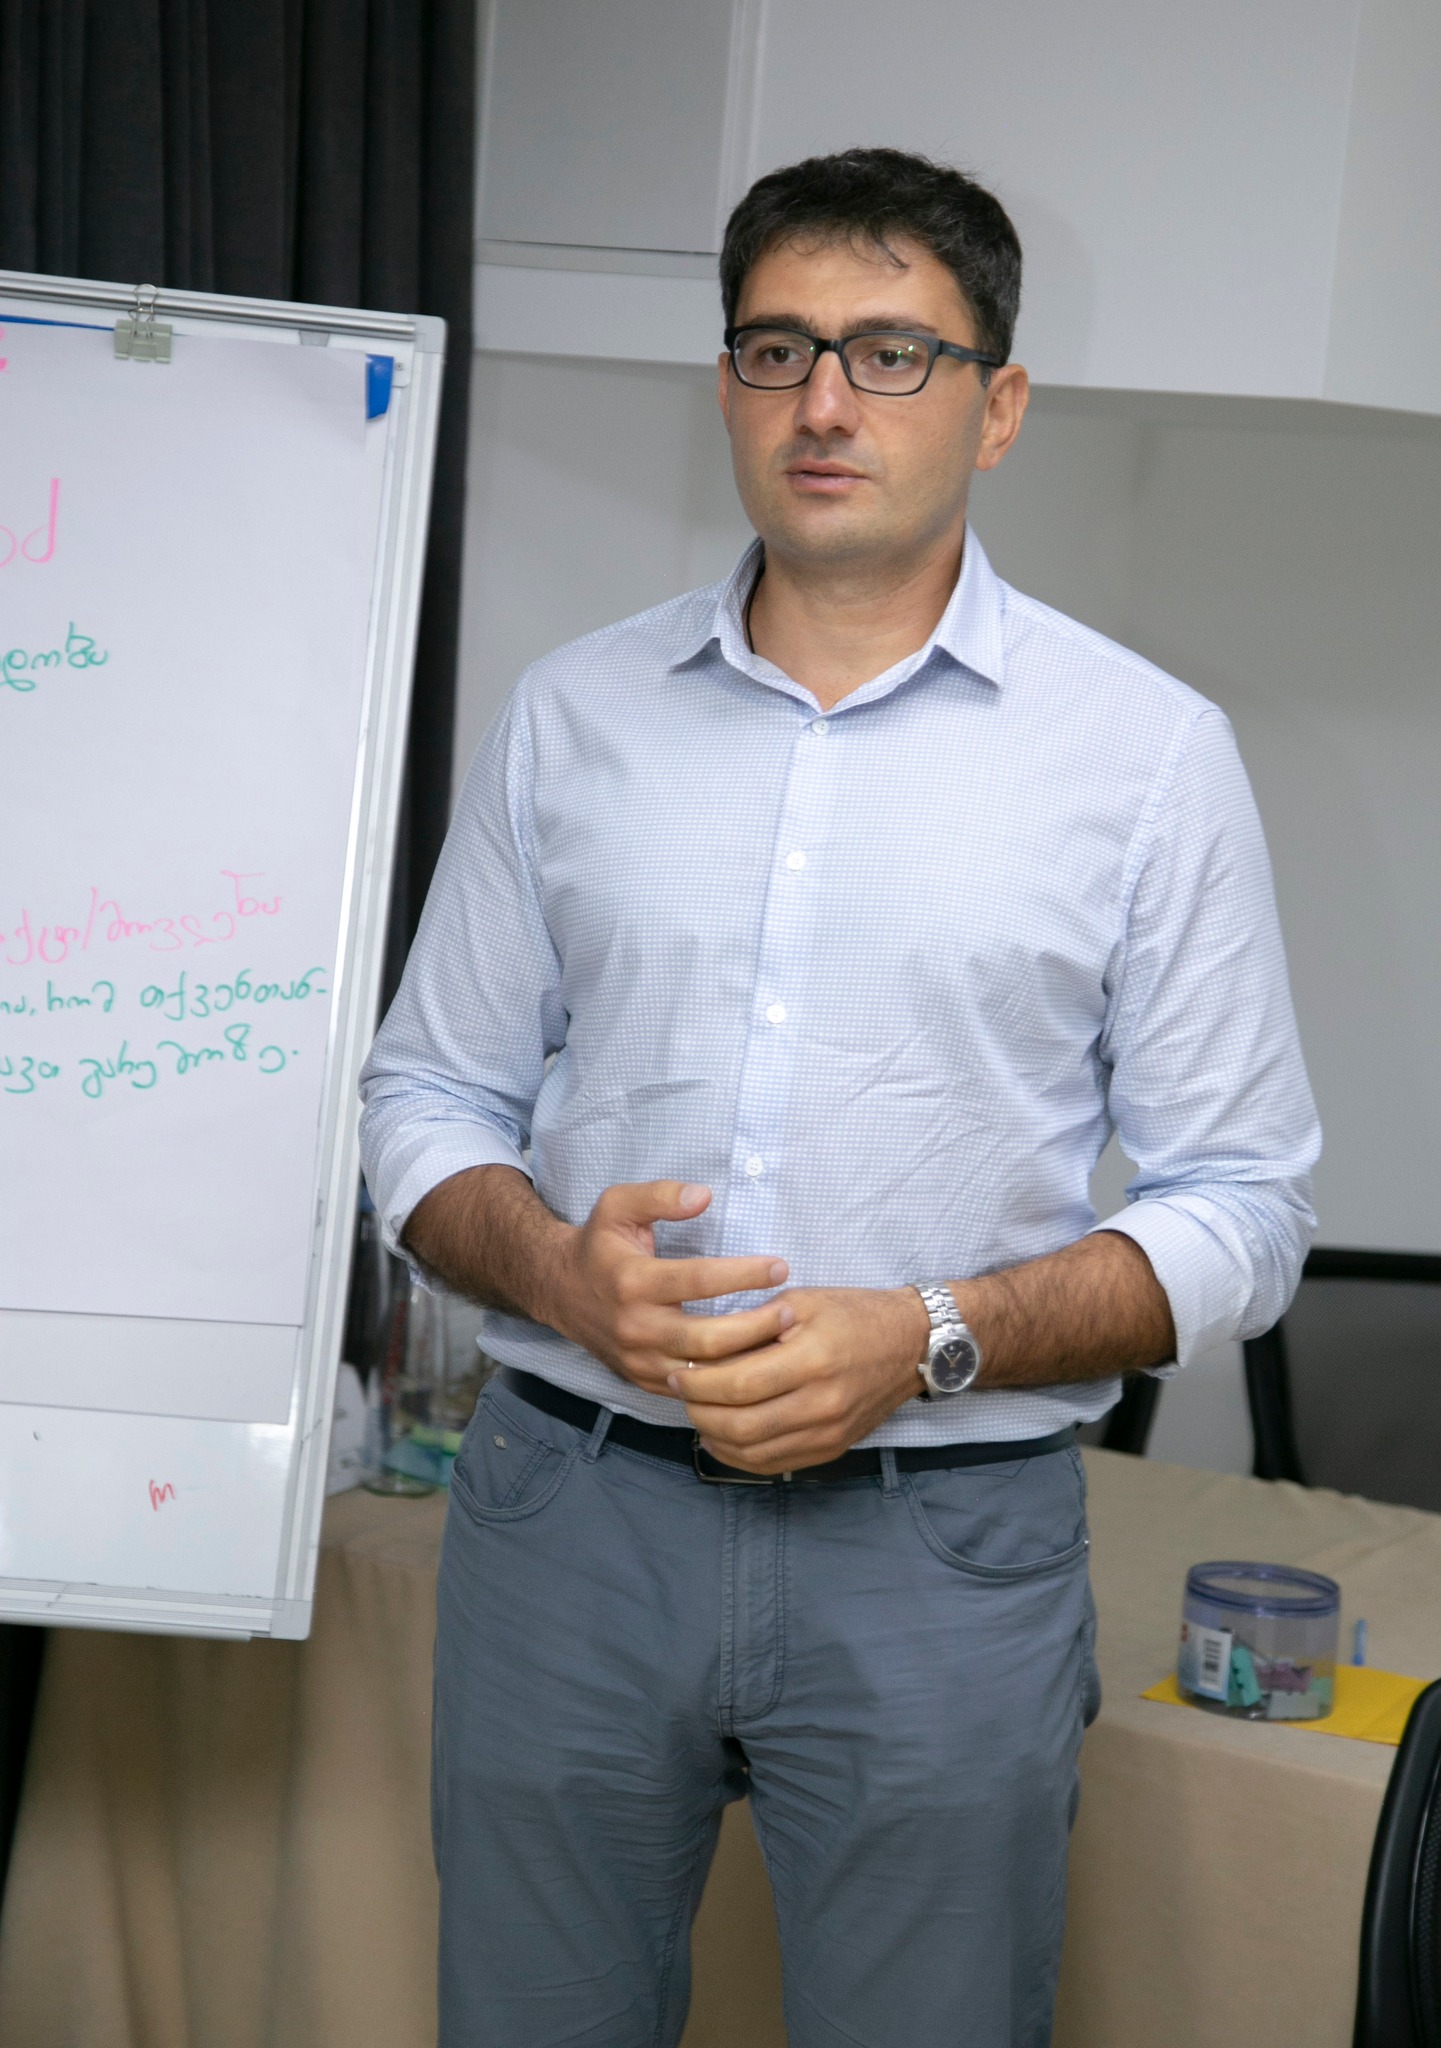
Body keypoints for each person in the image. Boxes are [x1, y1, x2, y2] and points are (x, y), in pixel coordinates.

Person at [359, 147, 1319, 2048]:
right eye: (777, 347)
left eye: (890, 353)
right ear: (726, 383)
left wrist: (932, 1336)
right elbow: (424, 1096)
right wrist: (555, 1275)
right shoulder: (571, 715)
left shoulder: (1143, 756)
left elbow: (1245, 1204)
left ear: (997, 406)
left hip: (940, 1545)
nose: (822, 401)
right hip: (568, 1517)